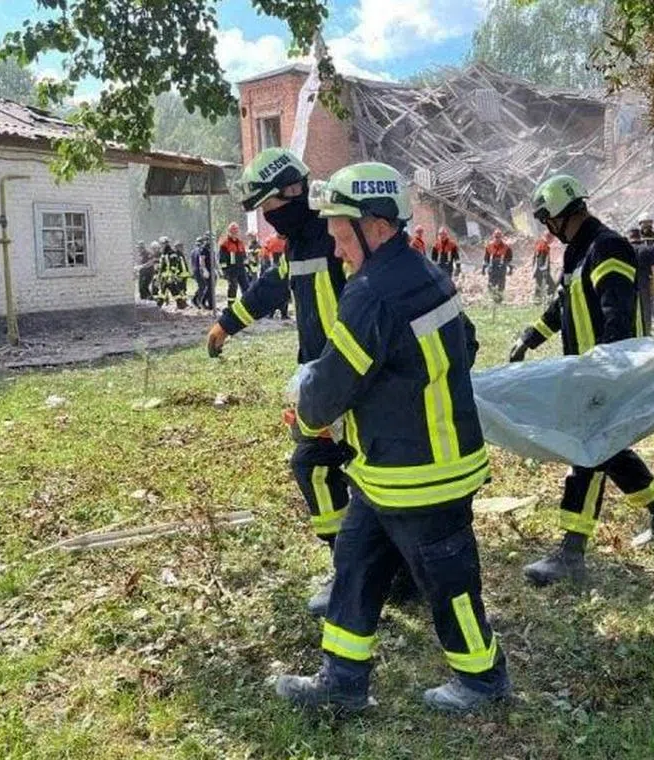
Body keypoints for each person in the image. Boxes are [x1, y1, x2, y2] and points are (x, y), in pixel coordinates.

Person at [274, 161, 511, 714]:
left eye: (340, 235)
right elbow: (466, 347)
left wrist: (309, 422)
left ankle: (483, 681)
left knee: (449, 584)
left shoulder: (369, 295)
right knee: (354, 564)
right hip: (389, 470)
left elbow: (328, 389)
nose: (336, 250)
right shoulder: (427, 273)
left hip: (419, 476)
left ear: (374, 224)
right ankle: (342, 684)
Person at [205, 148, 411, 615]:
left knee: (321, 467)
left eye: (269, 206)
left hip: (354, 381)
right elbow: (271, 287)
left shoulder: (334, 237)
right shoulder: (300, 242)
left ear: (294, 191)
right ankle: (369, 566)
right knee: (330, 468)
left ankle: (357, 569)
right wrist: (226, 324)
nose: (268, 218)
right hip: (328, 380)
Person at [508, 175, 654, 586]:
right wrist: (529, 337)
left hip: (606, 371)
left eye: (545, 219)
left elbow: (617, 312)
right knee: (607, 449)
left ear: (556, 215)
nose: (546, 229)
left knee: (587, 452)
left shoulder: (607, 246)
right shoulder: (577, 253)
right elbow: (561, 306)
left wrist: (605, 373)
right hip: (591, 371)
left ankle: (571, 551)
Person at [629, 226, 654, 337]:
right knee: (646, 313)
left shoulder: (624, 249)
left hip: (629, 284)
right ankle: (646, 335)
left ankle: (632, 336)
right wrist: (653, 288)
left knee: (631, 312)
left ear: (630, 237)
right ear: (640, 236)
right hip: (644, 284)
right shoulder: (648, 249)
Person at [218, 223, 251, 307]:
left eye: (236, 231)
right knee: (233, 288)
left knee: (246, 287)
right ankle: (231, 306)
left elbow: (244, 256)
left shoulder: (240, 243)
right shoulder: (225, 244)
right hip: (231, 270)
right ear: (229, 232)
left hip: (241, 269)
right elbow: (222, 259)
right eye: (233, 232)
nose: (234, 234)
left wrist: (247, 266)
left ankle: (247, 305)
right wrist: (225, 271)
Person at [155, 237, 189, 309]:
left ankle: (158, 305)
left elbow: (173, 265)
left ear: (165, 244)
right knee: (174, 291)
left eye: (162, 244)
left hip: (168, 277)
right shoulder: (164, 253)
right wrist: (159, 274)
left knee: (163, 292)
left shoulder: (171, 253)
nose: (161, 246)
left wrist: (172, 275)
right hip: (165, 276)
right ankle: (181, 305)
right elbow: (162, 266)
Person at [482, 230, 513, 303]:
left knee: (501, 285)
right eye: (496, 237)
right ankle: (492, 299)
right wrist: (483, 269)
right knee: (491, 285)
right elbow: (486, 258)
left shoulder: (506, 247)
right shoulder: (489, 246)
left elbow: (510, 259)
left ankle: (499, 301)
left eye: (498, 237)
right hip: (492, 268)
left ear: (501, 237)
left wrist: (510, 269)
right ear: (493, 237)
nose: (497, 239)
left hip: (501, 269)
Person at [191, 236, 214, 310]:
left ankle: (198, 301)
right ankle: (198, 301)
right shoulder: (200, 250)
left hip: (196, 270)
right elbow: (200, 261)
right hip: (200, 270)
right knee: (204, 287)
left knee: (203, 286)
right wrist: (204, 270)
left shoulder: (193, 251)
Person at [532, 232, 557, 303]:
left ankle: (537, 301)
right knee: (552, 285)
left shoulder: (540, 244)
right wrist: (544, 270)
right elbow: (540, 260)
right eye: (552, 239)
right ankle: (549, 300)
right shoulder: (543, 246)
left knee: (538, 285)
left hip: (538, 270)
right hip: (542, 270)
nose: (553, 241)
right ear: (549, 238)